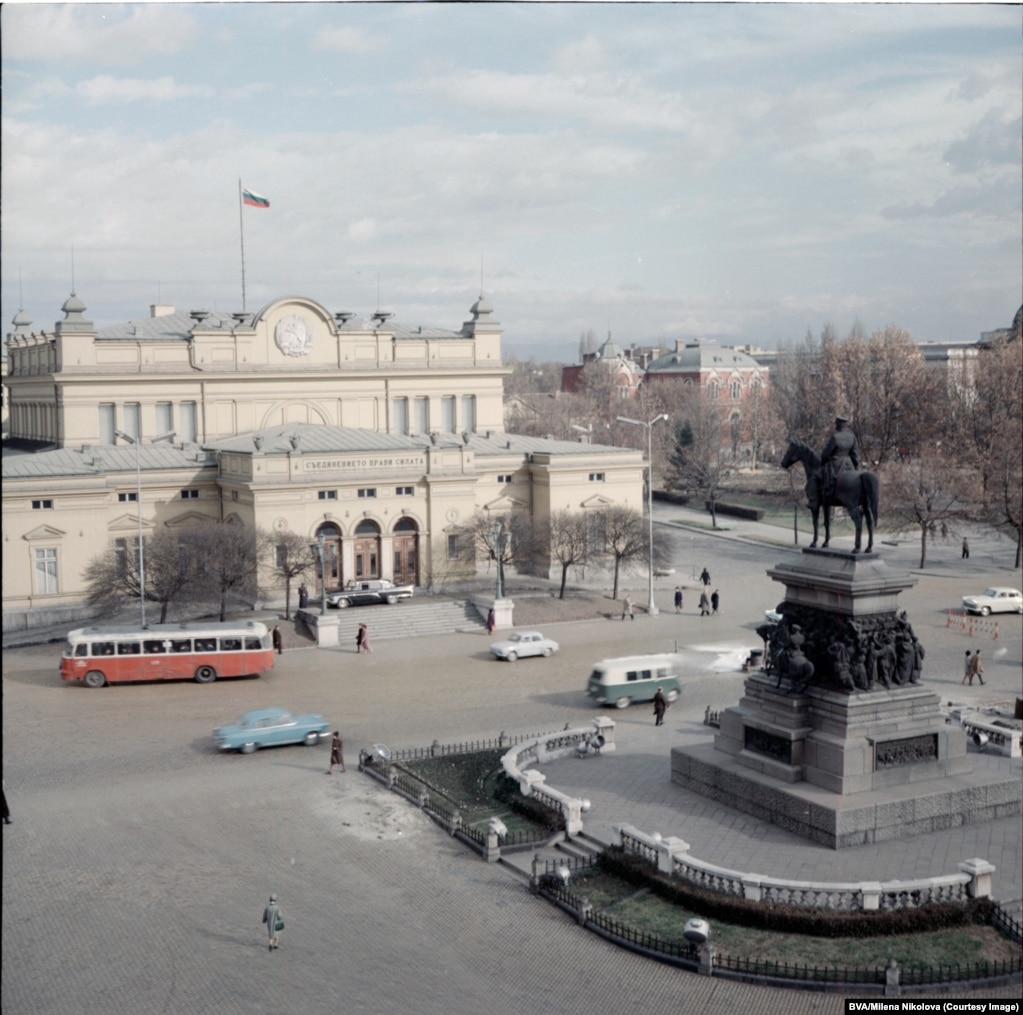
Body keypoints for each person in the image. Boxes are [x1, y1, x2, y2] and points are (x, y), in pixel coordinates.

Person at [819, 416, 859, 502]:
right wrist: (856, 468)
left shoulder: (835, 437)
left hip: (836, 464)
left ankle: (826, 493)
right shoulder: (852, 437)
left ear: (840, 425)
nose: (835, 426)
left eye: (836, 424)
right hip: (849, 465)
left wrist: (822, 461)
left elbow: (826, 454)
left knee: (821, 476)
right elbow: (855, 455)